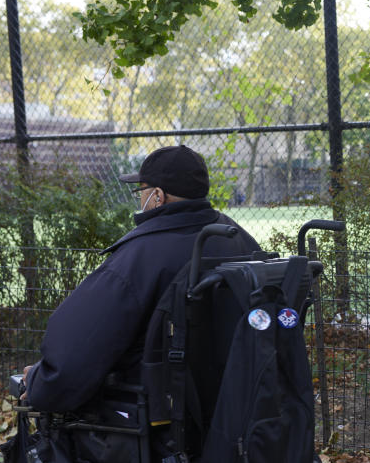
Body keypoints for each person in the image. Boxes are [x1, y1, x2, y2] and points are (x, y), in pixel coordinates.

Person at [21, 144, 260, 412]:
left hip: (160, 417)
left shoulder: (139, 257)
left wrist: (39, 381)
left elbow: (71, 360)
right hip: (236, 408)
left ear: (157, 196)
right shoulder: (239, 240)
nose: (140, 199)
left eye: (141, 191)